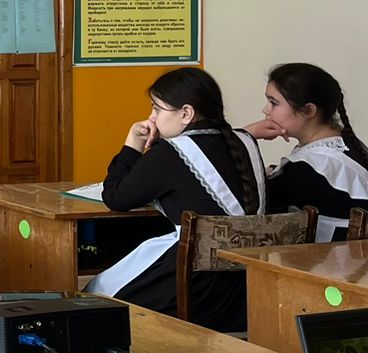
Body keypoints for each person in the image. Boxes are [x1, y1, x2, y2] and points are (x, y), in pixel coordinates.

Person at [88, 68, 264, 332]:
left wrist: (133, 142)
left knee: (97, 301)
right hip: (245, 292)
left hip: (193, 290)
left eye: (156, 109)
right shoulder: (246, 142)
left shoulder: (172, 152)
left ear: (186, 113)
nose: (152, 117)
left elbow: (115, 197)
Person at [246, 62, 368, 241]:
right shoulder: (350, 146)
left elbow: (246, 200)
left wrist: (246, 135)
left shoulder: (306, 169)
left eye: (273, 103)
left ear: (309, 110)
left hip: (330, 259)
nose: (266, 110)